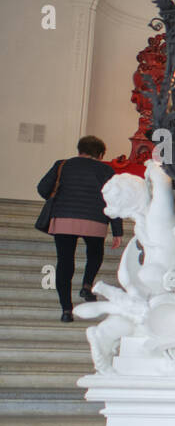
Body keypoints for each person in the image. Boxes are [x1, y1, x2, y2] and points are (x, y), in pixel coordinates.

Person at [36, 136, 124, 322]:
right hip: (95, 219)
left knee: (65, 261)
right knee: (95, 253)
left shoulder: (62, 165)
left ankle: (67, 310)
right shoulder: (106, 170)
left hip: (63, 218)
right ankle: (86, 285)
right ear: (100, 154)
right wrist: (117, 231)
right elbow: (114, 199)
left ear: (79, 150)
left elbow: (43, 189)